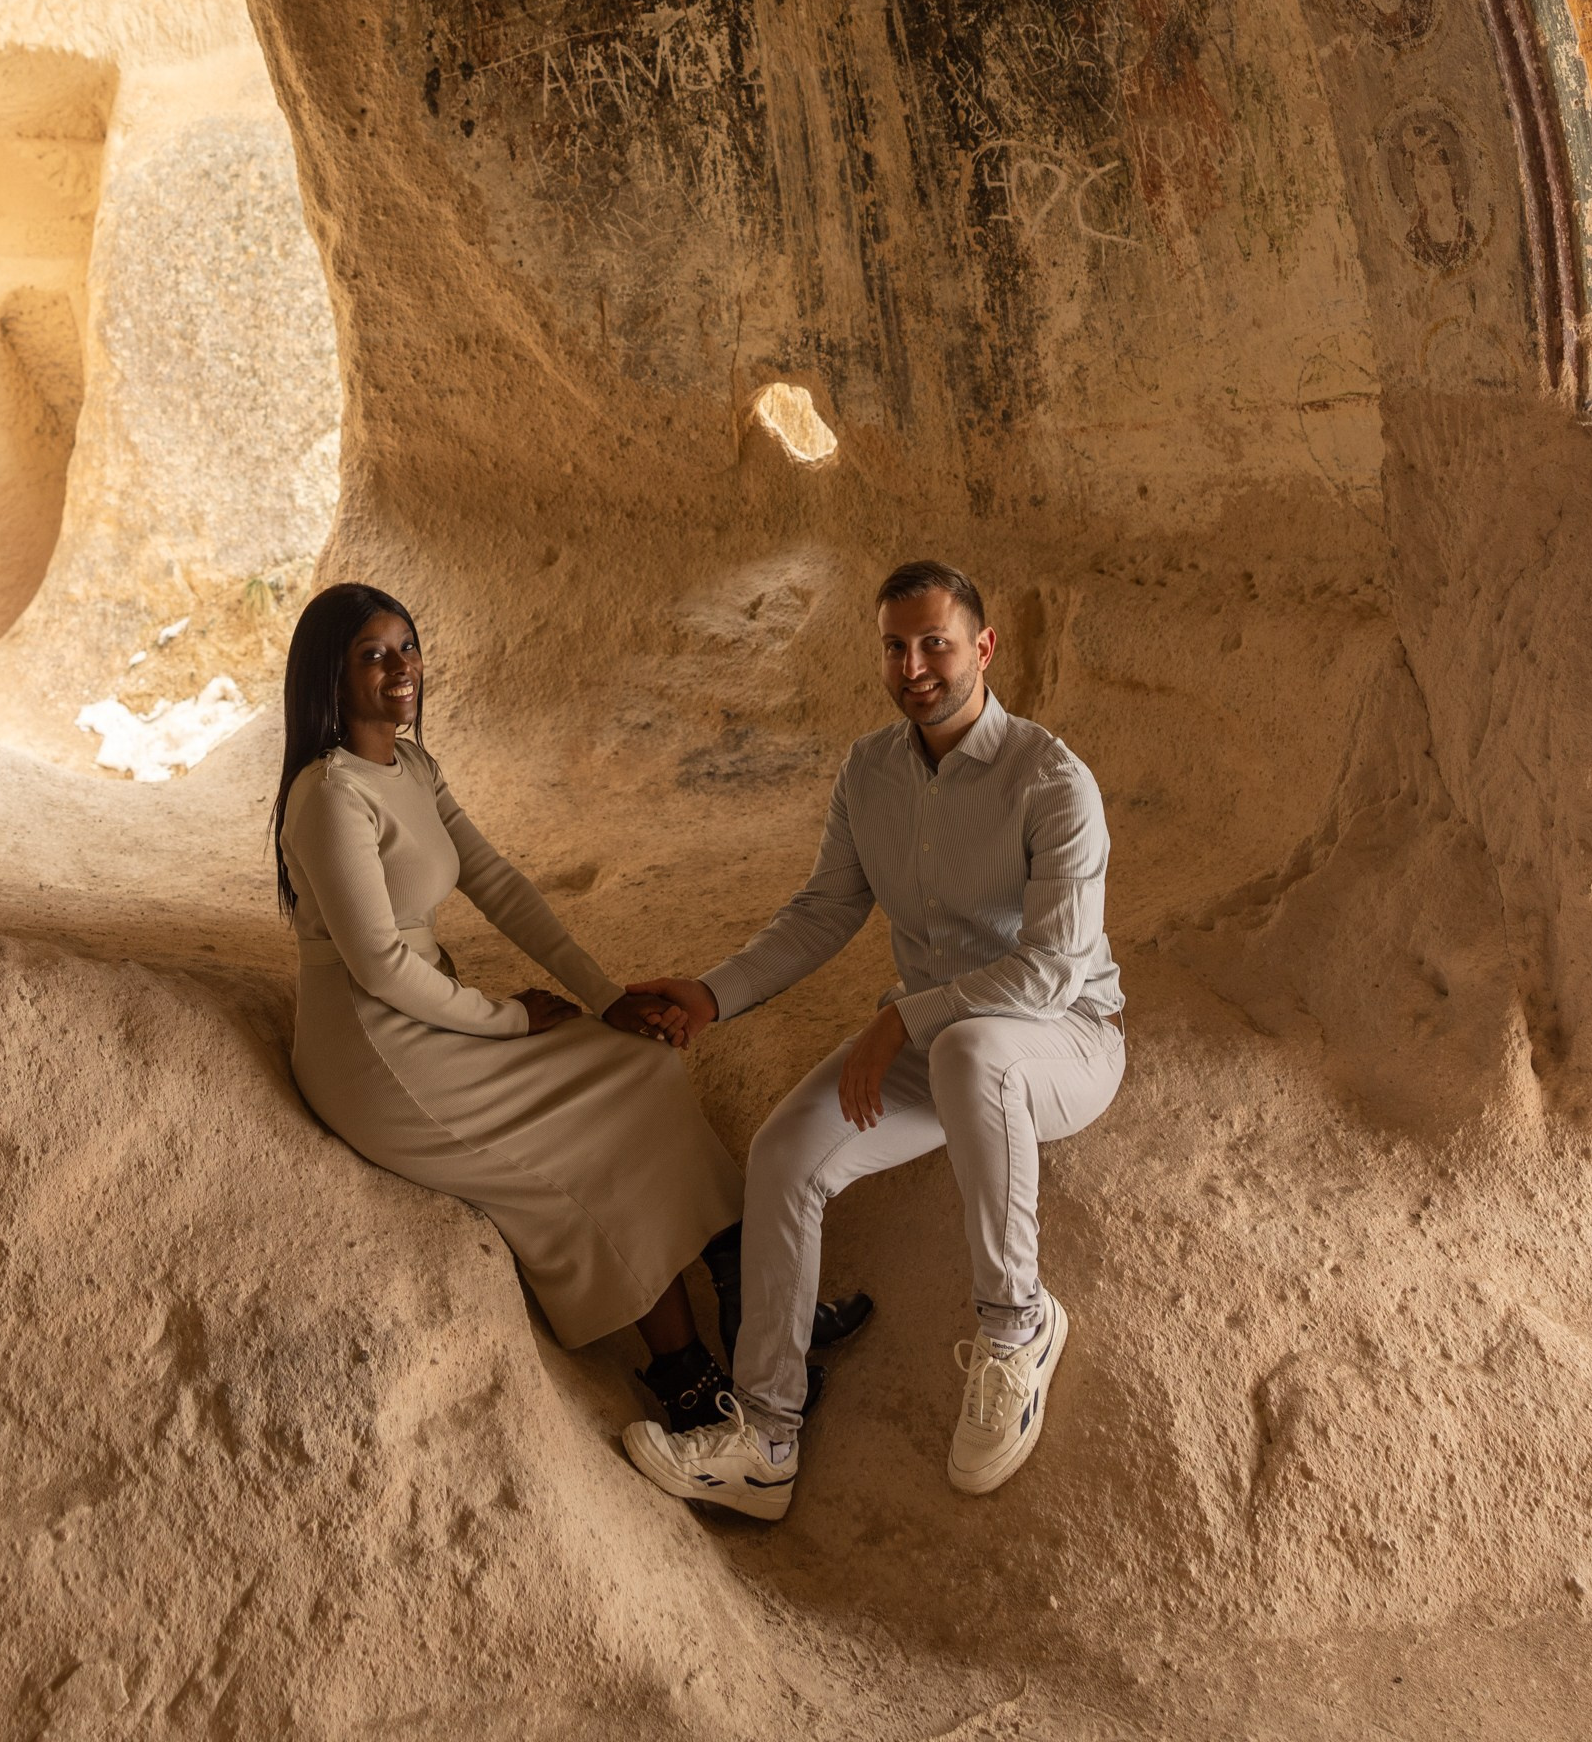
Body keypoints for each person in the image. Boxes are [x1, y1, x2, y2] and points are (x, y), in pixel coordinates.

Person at [617, 562, 1124, 1522]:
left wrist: (903, 1016)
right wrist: (713, 996)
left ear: (983, 648)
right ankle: (765, 1441)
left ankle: (1018, 1331)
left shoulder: (1052, 781)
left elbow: (1055, 972)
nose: (914, 665)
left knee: (975, 1048)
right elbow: (823, 912)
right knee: (784, 1153)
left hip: (1060, 1044)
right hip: (943, 1052)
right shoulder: (871, 773)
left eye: (936, 642)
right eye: (896, 646)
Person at [276, 580, 744, 1428]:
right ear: (328, 678)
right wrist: (511, 1018)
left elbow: (496, 882)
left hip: (432, 1011)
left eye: (407, 648)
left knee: (640, 1061)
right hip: (380, 1050)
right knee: (584, 1145)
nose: (400, 670)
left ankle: (745, 1288)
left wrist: (603, 998)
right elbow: (379, 967)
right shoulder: (327, 795)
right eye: (372, 656)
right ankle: (686, 1377)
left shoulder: (412, 765)